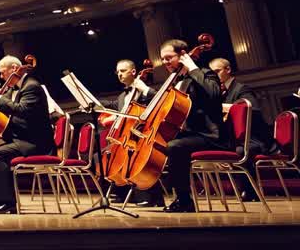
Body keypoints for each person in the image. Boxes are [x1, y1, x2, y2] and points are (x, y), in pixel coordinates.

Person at [0, 55, 54, 214]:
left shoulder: (32, 87)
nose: (1, 77)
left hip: (34, 142)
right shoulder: (13, 89)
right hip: (19, 139)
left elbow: (23, 110)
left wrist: (0, 99)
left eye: (3, 73)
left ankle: (6, 202)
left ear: (14, 69)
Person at [155, 40, 222, 212]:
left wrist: (193, 68)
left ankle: (184, 200)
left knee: (175, 147)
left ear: (183, 55)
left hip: (209, 136)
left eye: (169, 58)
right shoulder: (178, 81)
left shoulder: (206, 74)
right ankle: (151, 196)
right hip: (189, 135)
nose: (165, 62)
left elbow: (214, 94)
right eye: (162, 59)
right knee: (156, 145)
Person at [208, 57, 268, 201]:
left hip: (252, 138)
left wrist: (223, 108)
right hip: (233, 138)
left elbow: (251, 109)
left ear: (228, 70)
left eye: (217, 71)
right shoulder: (220, 93)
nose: (214, 76)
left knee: (239, 151)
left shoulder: (242, 88)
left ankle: (251, 191)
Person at [104, 59, 162, 208]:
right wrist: (93, 103)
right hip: (128, 136)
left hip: (143, 135)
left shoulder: (143, 90)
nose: (119, 74)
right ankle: (123, 193)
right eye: (117, 72)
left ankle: (151, 195)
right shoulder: (123, 96)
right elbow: (112, 106)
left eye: (122, 71)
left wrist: (144, 89)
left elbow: (158, 99)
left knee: (136, 157)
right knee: (104, 155)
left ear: (133, 72)